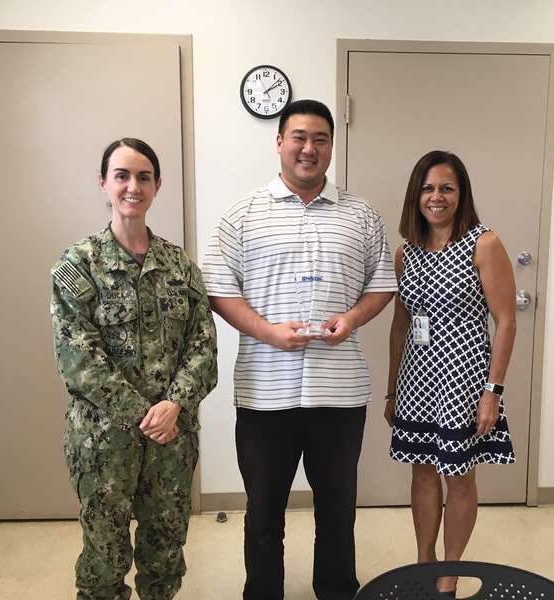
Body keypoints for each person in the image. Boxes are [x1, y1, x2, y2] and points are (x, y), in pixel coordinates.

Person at [202, 99, 397, 600]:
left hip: (340, 392)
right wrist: (268, 332)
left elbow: (381, 286)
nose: (309, 149)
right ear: (280, 142)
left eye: (321, 139)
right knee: (264, 514)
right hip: (265, 393)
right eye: (299, 138)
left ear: (332, 145)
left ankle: (336, 591)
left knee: (338, 511)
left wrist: (351, 319)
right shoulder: (241, 215)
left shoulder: (361, 215)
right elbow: (220, 290)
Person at [50, 138, 218, 600]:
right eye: (122, 175)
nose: (133, 186)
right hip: (104, 443)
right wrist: (145, 414)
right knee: (104, 557)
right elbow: (77, 358)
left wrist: (174, 406)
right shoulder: (78, 265)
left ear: (157, 185)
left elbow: (204, 348)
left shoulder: (179, 266)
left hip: (172, 440)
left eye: (144, 177)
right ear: (103, 184)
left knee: (165, 552)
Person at [384, 150, 517, 598]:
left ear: (461, 194)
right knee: (422, 471)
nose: (436, 197)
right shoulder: (407, 253)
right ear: (415, 195)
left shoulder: (484, 243)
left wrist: (492, 392)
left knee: (459, 475)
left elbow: (506, 321)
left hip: (463, 376)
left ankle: (451, 571)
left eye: (446, 188)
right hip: (417, 377)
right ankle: (425, 559)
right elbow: (401, 325)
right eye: (428, 188)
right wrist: (391, 390)